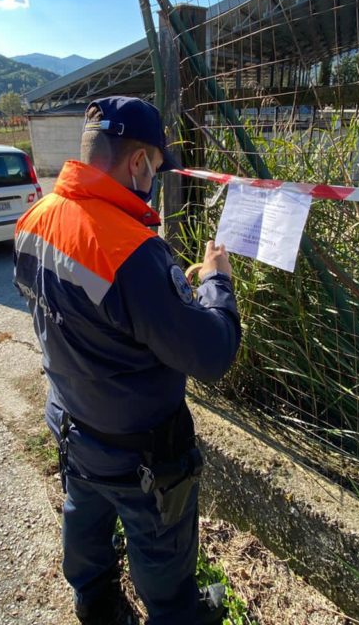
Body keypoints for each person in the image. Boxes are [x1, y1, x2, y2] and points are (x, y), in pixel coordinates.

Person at [13, 96, 241, 625]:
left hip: (72, 422)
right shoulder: (133, 252)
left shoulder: (35, 218)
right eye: (156, 168)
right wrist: (216, 281)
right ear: (139, 162)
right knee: (161, 546)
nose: (154, 179)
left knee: (84, 514)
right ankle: (174, 614)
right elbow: (212, 354)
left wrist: (158, 306)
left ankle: (92, 599)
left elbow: (76, 309)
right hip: (140, 451)